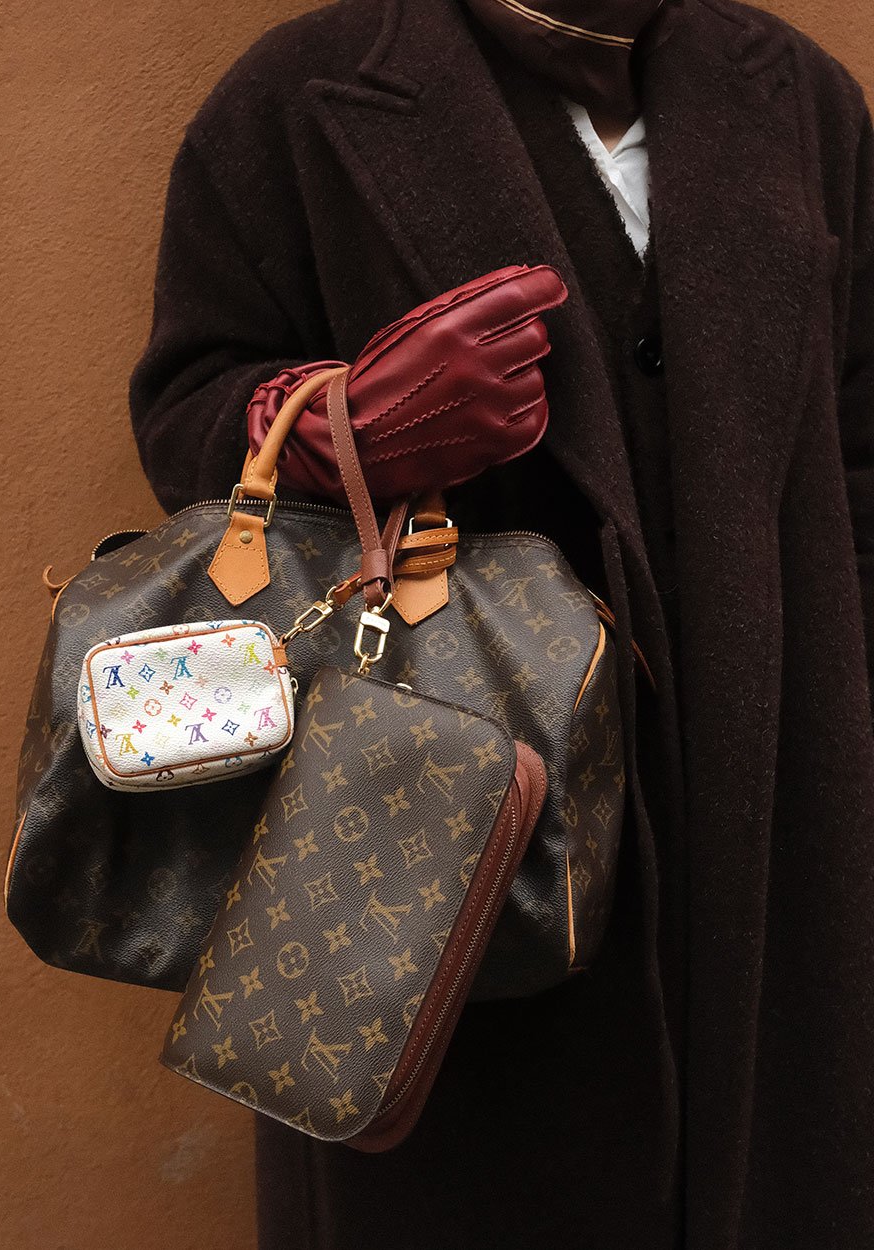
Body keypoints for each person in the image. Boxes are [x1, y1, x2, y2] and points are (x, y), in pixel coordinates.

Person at [129, 0, 874, 1245]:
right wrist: (333, 423)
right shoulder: (303, 96)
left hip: (770, 809)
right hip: (441, 815)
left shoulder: (801, 100)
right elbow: (186, 408)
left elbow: (856, 443)